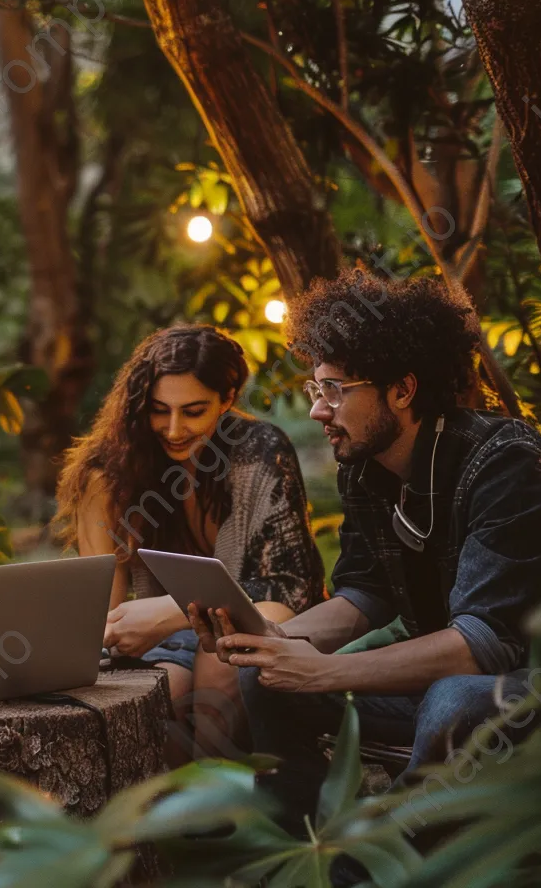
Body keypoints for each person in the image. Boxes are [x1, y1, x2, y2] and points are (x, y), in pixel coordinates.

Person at [192, 271, 541, 840]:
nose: (316, 411)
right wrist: (271, 642)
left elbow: (483, 645)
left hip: (519, 688)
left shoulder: (505, 463)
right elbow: (365, 593)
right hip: (444, 688)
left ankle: (376, 860)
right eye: (315, 390)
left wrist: (325, 671)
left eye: (334, 389)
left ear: (402, 390)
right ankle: (297, 851)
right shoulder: (364, 467)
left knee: (453, 699)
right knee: (267, 678)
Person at [54, 324, 324, 758]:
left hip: (269, 623)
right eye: (159, 410)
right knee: (161, 697)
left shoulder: (259, 452)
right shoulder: (113, 470)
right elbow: (101, 611)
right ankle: (160, 815)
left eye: (194, 411)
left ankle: (222, 813)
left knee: (220, 663)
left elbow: (286, 590)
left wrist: (177, 610)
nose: (174, 429)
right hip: (164, 644)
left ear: (227, 398)